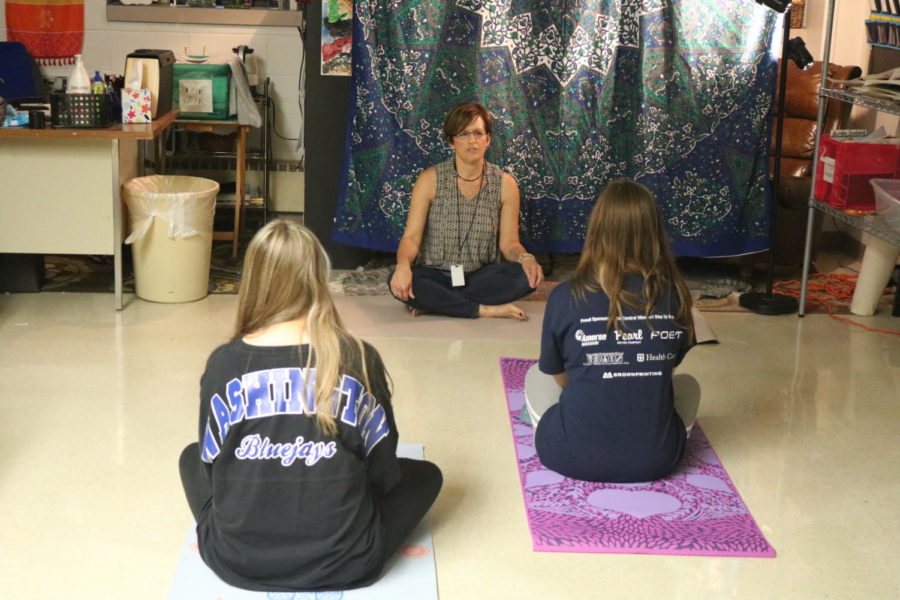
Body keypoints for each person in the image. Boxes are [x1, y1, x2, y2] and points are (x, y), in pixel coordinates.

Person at [178, 220, 442, 592]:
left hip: (237, 561)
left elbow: (211, 467)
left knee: (191, 456)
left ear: (253, 279)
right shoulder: (357, 357)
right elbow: (383, 473)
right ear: (319, 277)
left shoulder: (224, 363)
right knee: (427, 474)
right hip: (350, 562)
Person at [524, 179, 700, 483]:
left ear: (597, 230)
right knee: (687, 386)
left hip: (569, 454)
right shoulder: (677, 296)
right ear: (655, 233)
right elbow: (667, 368)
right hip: (656, 460)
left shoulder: (565, 295)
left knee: (536, 374)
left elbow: (559, 376)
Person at [388, 101, 544, 320]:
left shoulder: (505, 184)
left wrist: (526, 258)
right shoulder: (429, 180)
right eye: (463, 134)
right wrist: (403, 265)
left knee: (523, 277)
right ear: (451, 141)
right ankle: (483, 309)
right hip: (436, 273)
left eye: (478, 133)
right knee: (397, 279)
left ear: (488, 139)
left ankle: (439, 304)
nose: (472, 141)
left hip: (480, 276)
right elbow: (411, 238)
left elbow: (509, 244)